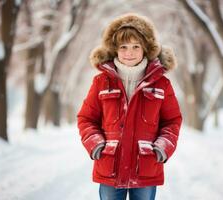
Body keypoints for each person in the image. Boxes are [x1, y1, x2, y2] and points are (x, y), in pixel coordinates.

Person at [77, 13, 182, 200]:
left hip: (146, 167)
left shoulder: (161, 84)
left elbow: (172, 121)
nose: (129, 52)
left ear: (146, 49)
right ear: (114, 49)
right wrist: (96, 144)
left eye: (136, 46)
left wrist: (162, 147)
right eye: (123, 47)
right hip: (110, 166)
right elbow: (86, 118)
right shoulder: (101, 82)